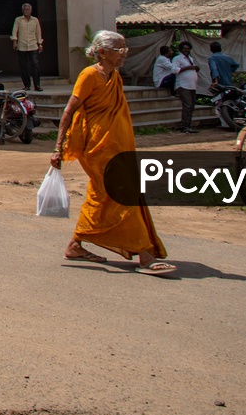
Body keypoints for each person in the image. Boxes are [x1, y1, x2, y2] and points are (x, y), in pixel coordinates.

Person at [50, 30, 172, 273]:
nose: (124, 53)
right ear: (103, 52)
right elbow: (68, 111)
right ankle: (145, 255)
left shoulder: (114, 76)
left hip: (115, 148)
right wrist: (57, 148)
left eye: (125, 48)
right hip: (96, 148)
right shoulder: (89, 75)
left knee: (102, 196)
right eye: (119, 49)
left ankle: (75, 244)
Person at [9, 3, 44, 92]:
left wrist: (40, 44)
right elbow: (14, 31)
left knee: (35, 65)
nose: (27, 11)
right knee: (23, 66)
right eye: (25, 9)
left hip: (33, 45)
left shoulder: (35, 20)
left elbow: (38, 33)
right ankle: (27, 85)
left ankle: (37, 85)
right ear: (22, 10)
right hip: (22, 45)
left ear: (31, 11)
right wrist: (14, 41)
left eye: (28, 9)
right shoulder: (18, 20)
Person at [171, 40, 201, 132]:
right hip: (183, 85)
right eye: (184, 49)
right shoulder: (178, 58)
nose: (186, 50)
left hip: (192, 85)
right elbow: (174, 70)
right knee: (187, 106)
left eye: (188, 49)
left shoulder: (190, 58)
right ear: (180, 49)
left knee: (191, 106)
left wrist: (195, 68)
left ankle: (188, 124)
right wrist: (187, 68)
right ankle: (184, 126)